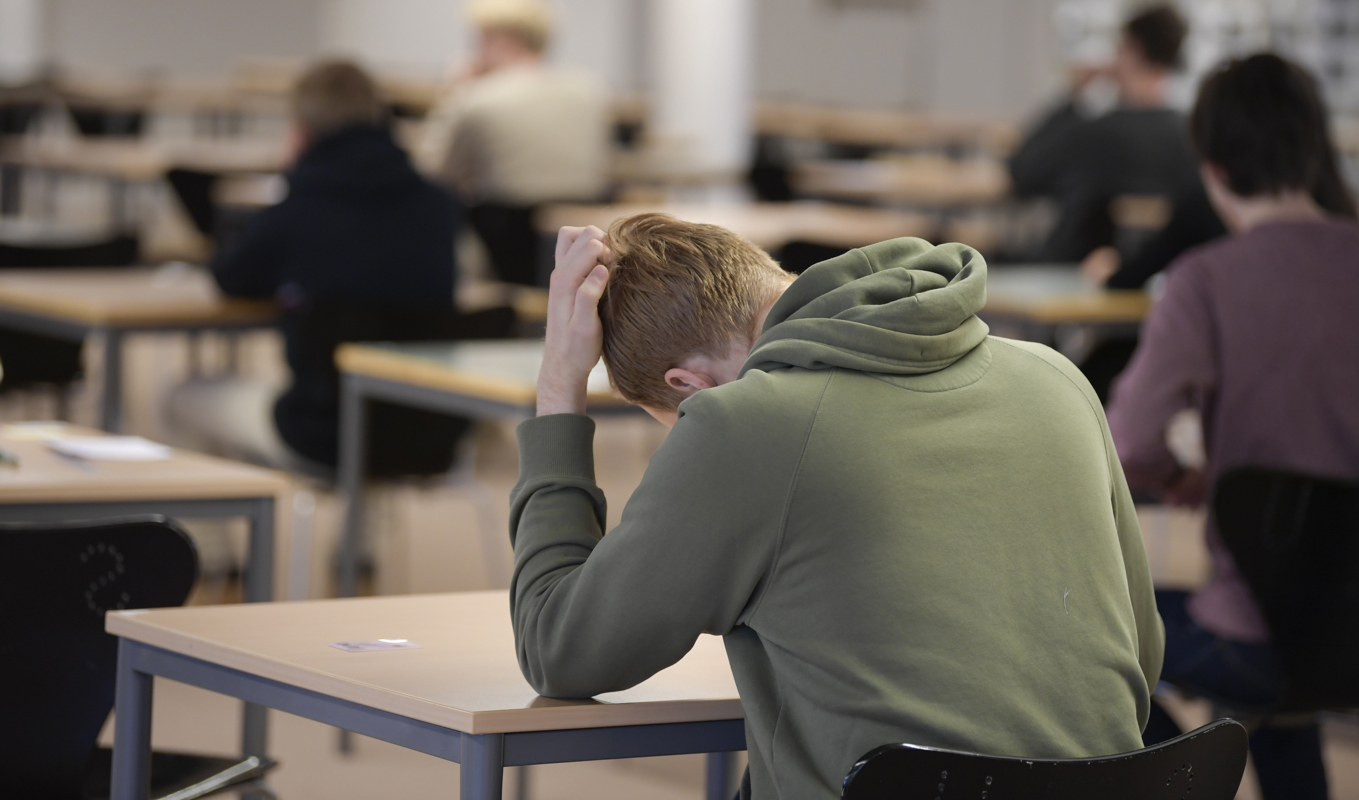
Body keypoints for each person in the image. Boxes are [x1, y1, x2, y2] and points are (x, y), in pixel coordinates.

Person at [509, 215, 1164, 799]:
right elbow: (1141, 650)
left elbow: (560, 649)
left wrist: (558, 388)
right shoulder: (1056, 378)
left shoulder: (739, 426)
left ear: (688, 386)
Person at [1107, 53, 1359, 800]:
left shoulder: (1205, 282)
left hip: (1253, 637)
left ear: (1211, 167)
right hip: (1348, 625)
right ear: (1315, 149)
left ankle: (1179, 778)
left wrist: (1177, 476)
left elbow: (1126, 447)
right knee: (1285, 693)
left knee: (1095, 629)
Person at [170, 60, 477, 477]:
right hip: (431, 431)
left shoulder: (298, 210)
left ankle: (203, 542)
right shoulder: (439, 207)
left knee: (181, 397)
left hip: (322, 433)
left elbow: (230, 276)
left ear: (301, 130)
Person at [1009, 4, 1225, 281]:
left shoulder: (1097, 133)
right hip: (1155, 277)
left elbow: (1022, 171)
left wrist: (1072, 95)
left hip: (1075, 275)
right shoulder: (1191, 134)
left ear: (1132, 50)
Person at [416, 0, 611, 286]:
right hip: (580, 240)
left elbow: (431, 171)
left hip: (506, 244)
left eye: (481, 37)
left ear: (504, 39)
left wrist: (453, 91)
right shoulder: (591, 90)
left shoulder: (476, 98)